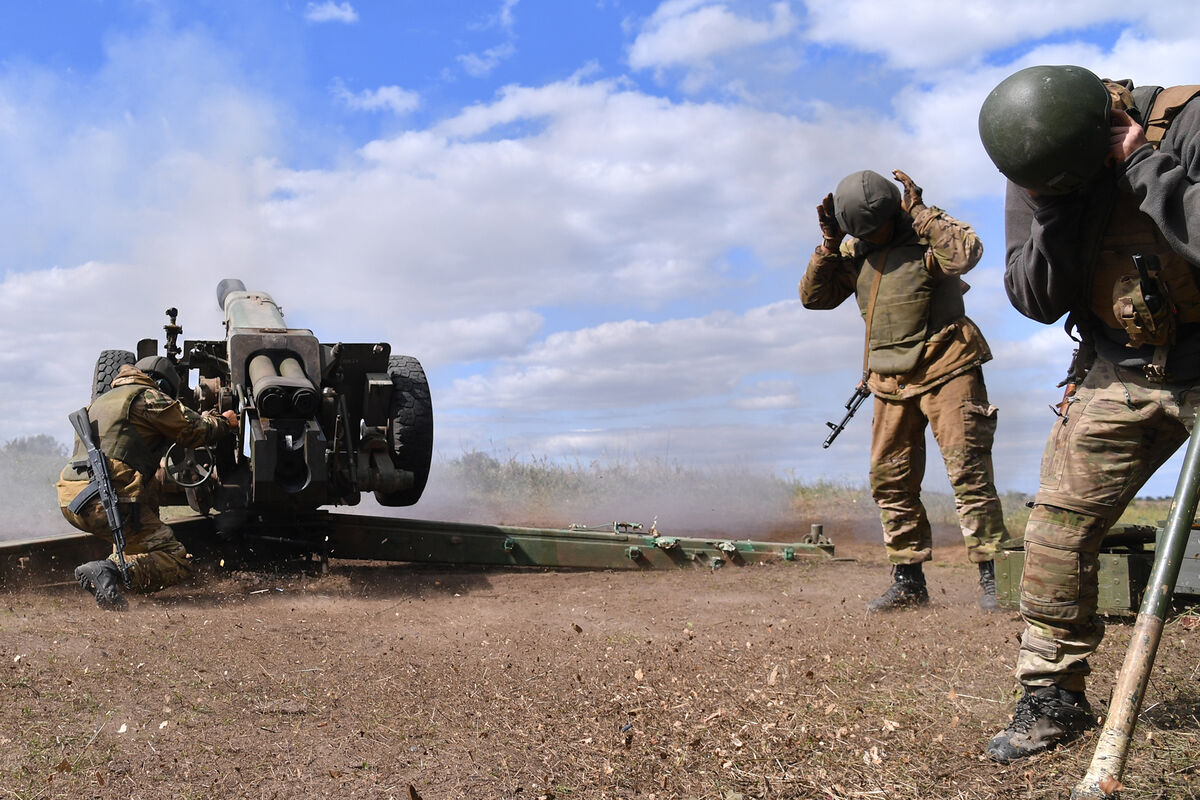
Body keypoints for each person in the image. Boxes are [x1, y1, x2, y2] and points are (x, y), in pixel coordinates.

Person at [979, 65, 1200, 762]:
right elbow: (1033, 295)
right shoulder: (1036, 161)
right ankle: (1051, 696)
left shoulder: (1188, 123)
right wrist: (1056, 209)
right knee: (1055, 534)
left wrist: (1140, 163)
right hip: (1116, 368)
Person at [800, 168, 1009, 612]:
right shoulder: (854, 252)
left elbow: (966, 254)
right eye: (864, 231)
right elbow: (814, 297)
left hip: (947, 366)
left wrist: (920, 212)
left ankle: (996, 579)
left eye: (878, 227)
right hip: (890, 380)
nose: (874, 237)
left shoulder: (925, 237)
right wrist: (828, 246)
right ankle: (909, 580)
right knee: (890, 481)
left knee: (968, 472)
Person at [57, 356, 237, 610]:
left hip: (72, 499)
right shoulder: (148, 397)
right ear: (162, 384)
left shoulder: (98, 404)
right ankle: (110, 571)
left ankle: (110, 584)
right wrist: (223, 421)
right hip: (107, 500)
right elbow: (195, 430)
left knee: (136, 538)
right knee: (175, 558)